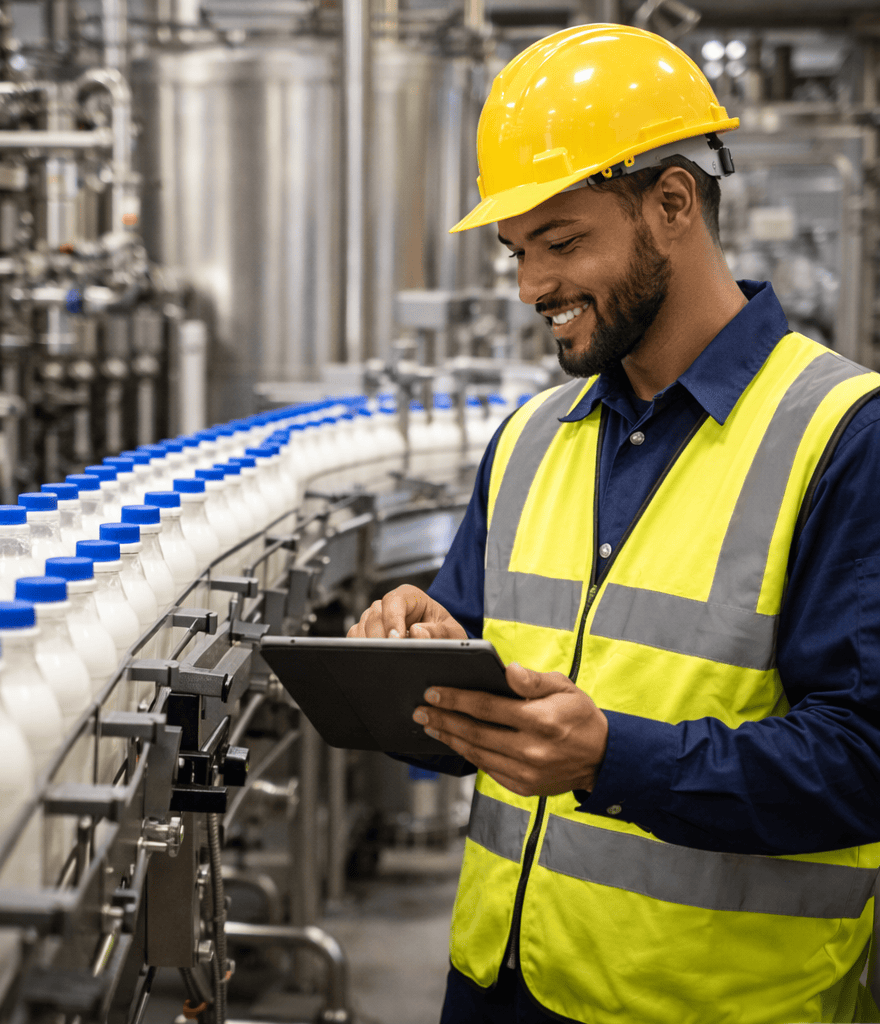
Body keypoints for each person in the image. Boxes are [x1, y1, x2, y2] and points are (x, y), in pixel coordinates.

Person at [348, 23, 880, 1024]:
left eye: (560, 242)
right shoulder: (531, 438)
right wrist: (415, 661)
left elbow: (861, 758)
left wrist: (609, 758)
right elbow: (464, 712)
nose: (529, 288)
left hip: (709, 1006)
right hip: (495, 988)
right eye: (516, 252)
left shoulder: (841, 438)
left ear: (671, 203)